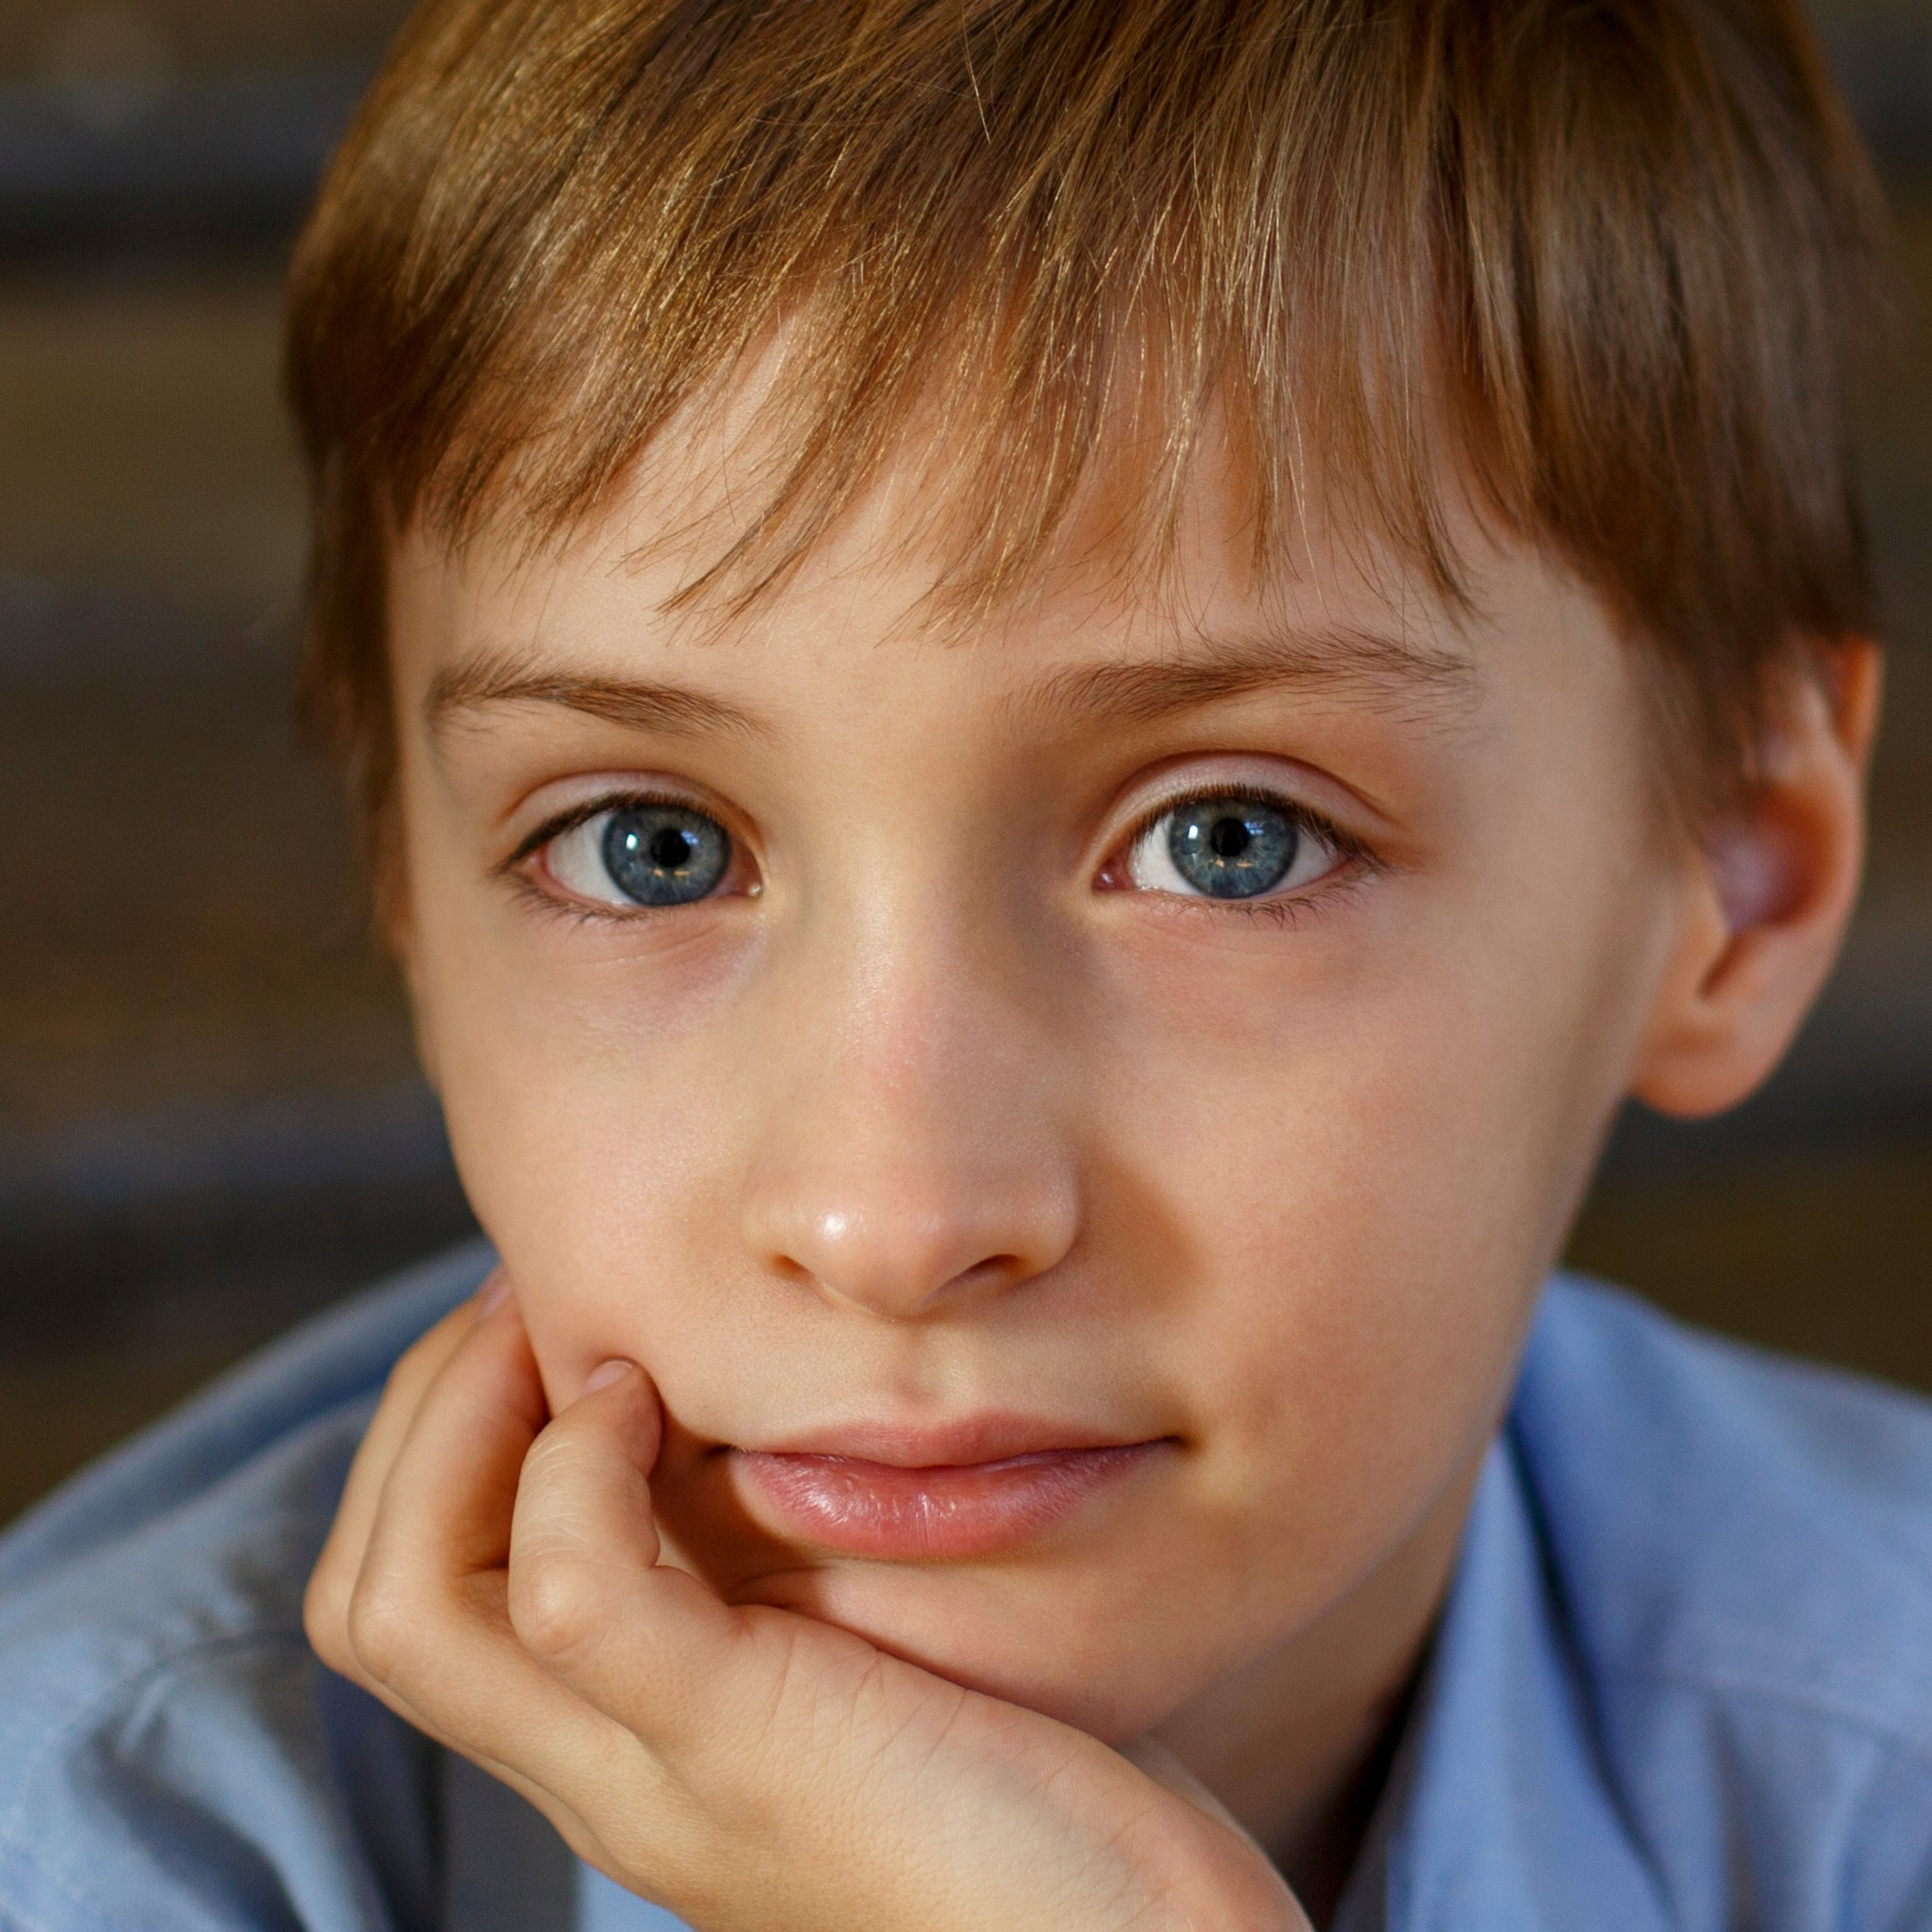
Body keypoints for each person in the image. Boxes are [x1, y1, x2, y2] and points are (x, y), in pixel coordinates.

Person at [2, 0, 1925, 1926]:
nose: (891, 1214)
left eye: (1224, 841)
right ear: (406, 897)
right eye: (648, 850)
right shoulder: (109, 1848)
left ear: (1731, 884)